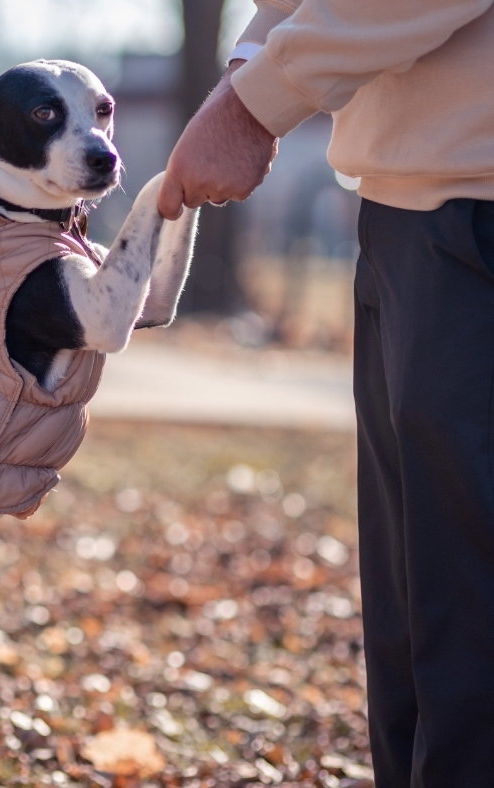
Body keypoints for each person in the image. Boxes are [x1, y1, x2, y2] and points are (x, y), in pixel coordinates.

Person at [158, 2, 494, 785]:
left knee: (470, 632)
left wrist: (258, 101)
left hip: (475, 215)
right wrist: (249, 67)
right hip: (409, 214)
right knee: (419, 634)